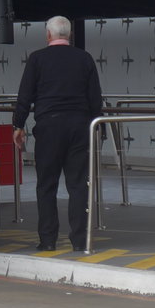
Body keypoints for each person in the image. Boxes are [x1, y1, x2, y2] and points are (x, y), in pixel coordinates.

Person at [12, 15, 103, 253]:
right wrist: (96, 126)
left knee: (46, 185)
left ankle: (48, 240)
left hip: (49, 127)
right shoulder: (84, 58)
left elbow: (25, 96)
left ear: (48, 35)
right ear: (70, 35)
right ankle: (81, 241)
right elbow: (95, 97)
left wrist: (18, 125)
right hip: (79, 126)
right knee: (78, 185)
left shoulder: (37, 59)